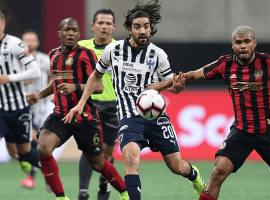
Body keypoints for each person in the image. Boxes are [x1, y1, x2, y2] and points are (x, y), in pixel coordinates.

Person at [148, 25, 270, 200]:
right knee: (218, 172)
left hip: (268, 131)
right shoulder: (225, 65)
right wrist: (160, 86)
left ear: (254, 43)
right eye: (238, 42)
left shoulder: (269, 62)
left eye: (247, 41)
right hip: (242, 131)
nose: (243, 46)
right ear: (233, 45)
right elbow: (191, 76)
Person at [63, 1, 206, 199]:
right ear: (129, 29)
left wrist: (177, 88)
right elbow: (95, 76)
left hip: (156, 117)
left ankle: (194, 176)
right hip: (129, 117)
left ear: (150, 29)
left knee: (177, 167)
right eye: (137, 27)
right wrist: (81, 103)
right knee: (131, 161)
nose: (142, 31)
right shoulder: (113, 51)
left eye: (146, 27)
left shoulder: (158, 55)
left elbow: (170, 85)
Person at [26, 18, 126, 200]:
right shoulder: (54, 54)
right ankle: (61, 197)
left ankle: (124, 191)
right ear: (59, 33)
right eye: (67, 29)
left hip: (84, 115)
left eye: (74, 30)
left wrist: (75, 87)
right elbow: (56, 82)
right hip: (61, 114)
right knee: (43, 147)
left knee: (98, 163)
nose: (70, 33)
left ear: (79, 35)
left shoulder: (86, 54)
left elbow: (98, 87)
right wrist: (39, 96)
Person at [77, 9, 129, 200]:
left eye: (108, 23)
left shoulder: (122, 49)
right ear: (93, 26)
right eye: (100, 23)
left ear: (114, 27)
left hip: (114, 107)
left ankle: (104, 183)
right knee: (89, 148)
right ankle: (83, 191)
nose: (104, 27)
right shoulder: (81, 47)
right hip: (90, 105)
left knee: (107, 152)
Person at [0, 9, 42, 180]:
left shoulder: (14, 44)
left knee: (20, 152)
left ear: (3, 23)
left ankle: (47, 167)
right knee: (15, 152)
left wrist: (9, 78)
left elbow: (36, 72)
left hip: (18, 107)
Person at [13, 29, 51, 190]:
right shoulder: (16, 61)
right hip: (21, 106)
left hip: (40, 107)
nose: (29, 42)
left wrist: (50, 93)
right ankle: (46, 174)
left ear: (37, 42)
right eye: (26, 39)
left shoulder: (44, 59)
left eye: (32, 39)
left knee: (35, 141)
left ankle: (33, 177)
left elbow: (54, 75)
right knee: (28, 143)